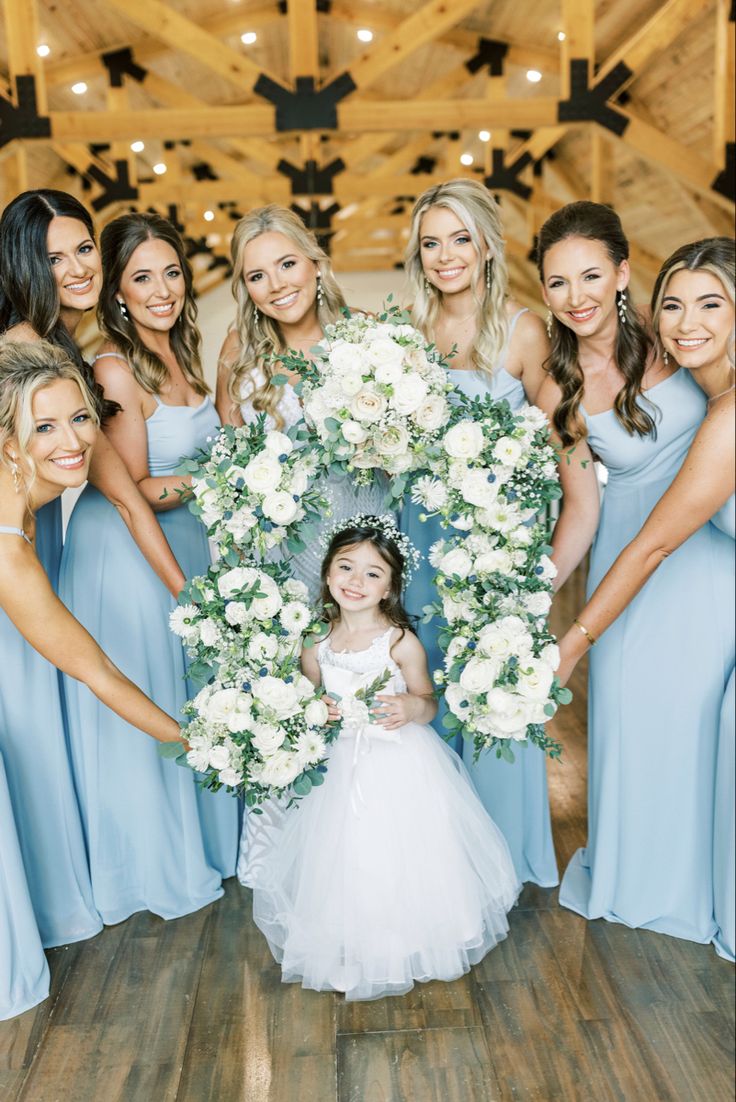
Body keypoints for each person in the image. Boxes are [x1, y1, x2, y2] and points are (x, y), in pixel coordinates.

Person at [535, 205, 734, 943]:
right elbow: (581, 510)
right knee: (633, 721)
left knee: (703, 727)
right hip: (629, 557)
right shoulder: (559, 388)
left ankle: (711, 883)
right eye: (558, 282)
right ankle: (645, 880)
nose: (577, 295)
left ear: (623, 274)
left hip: (709, 556)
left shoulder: (686, 333)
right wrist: (533, 600)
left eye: (591, 274)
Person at [241, 515, 520, 1001]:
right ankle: (350, 940)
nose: (356, 581)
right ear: (327, 574)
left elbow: (428, 702)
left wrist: (413, 706)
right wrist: (314, 709)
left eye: (373, 573)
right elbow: (306, 698)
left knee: (400, 852)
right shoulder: (315, 641)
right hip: (338, 762)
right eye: (346, 568)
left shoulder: (398, 641)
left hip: (398, 761)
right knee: (341, 854)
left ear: (390, 588)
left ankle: (407, 941)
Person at [59, 213, 238, 926]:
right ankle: (152, 865)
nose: (161, 289)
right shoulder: (112, 366)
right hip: (128, 554)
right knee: (151, 701)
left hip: (183, 541)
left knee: (193, 695)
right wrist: (224, 472)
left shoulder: (183, 357)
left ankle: (207, 845)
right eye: (141, 277)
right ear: (118, 293)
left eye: (171, 271)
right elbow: (133, 489)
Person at [0, 341, 185, 1009]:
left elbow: (129, 496)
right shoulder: (9, 552)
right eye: (43, 427)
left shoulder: (41, 471)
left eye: (79, 418)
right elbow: (99, 673)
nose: (73, 440)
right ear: (10, 441)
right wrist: (192, 739)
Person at [402, 179, 556, 888]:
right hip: (421, 540)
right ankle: (436, 862)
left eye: (459, 238)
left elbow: (555, 456)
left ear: (488, 244)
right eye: (431, 242)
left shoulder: (524, 331)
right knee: (426, 685)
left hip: (496, 551)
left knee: (492, 692)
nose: (445, 255)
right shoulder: (407, 331)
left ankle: (498, 861)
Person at [0, 188, 184, 597]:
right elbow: (125, 497)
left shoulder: (63, 346)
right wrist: (188, 594)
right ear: (24, 267)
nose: (78, 268)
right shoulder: (28, 353)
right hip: (13, 554)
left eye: (84, 248)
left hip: (38, 541)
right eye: (53, 259)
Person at [215, 205, 386, 597]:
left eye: (287, 264)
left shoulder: (364, 333)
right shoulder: (237, 350)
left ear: (315, 264)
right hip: (277, 549)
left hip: (361, 541)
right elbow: (231, 461)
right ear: (247, 288)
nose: (276, 285)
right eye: (257, 276)